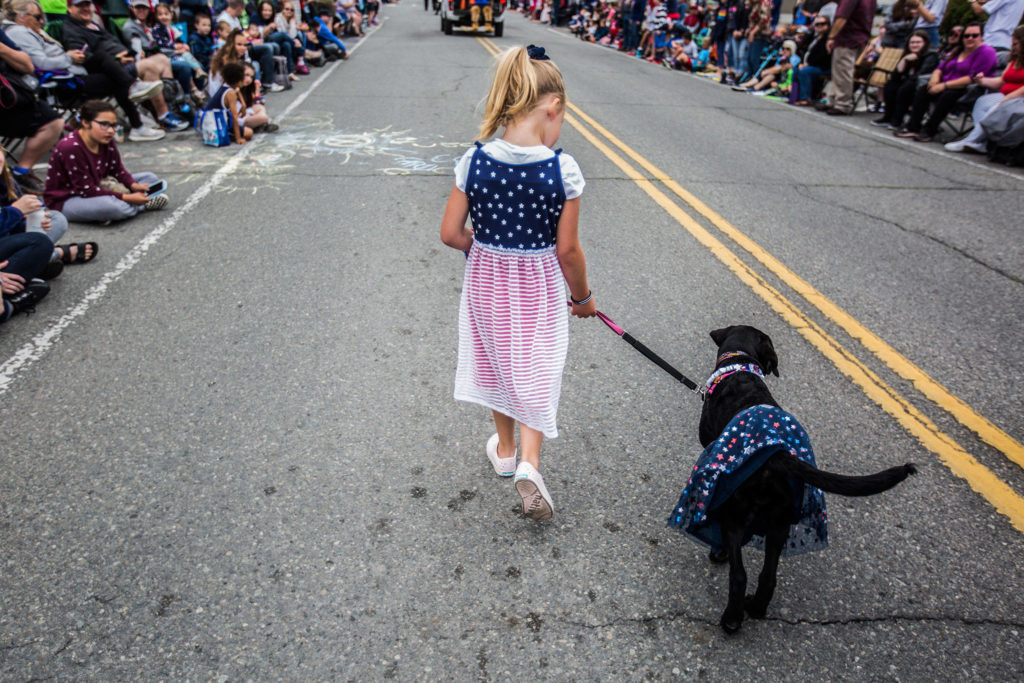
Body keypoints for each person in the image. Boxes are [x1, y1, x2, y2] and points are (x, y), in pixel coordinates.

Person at [440, 45, 595, 521]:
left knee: (499, 364)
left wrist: (481, 251)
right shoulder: (561, 169)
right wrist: (583, 299)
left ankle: (504, 450)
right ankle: (529, 463)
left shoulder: (475, 160)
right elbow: (567, 250)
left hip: (487, 282)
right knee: (536, 368)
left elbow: (449, 233)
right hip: (540, 285)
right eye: (561, 119)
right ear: (552, 108)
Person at [61, 0, 189, 132]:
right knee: (149, 66)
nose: (85, 8)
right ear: (70, 8)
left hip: (123, 62)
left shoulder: (93, 25)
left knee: (162, 60)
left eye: (87, 5)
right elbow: (85, 58)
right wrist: (117, 59)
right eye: (80, 5)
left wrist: (128, 55)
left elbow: (114, 43)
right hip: (108, 71)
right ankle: (162, 116)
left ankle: (173, 109)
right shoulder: (72, 29)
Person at [43, 100, 169, 224]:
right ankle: (141, 205)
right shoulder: (71, 147)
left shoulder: (105, 139)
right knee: (115, 208)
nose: (110, 130)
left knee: (149, 178)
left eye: (114, 125)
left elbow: (118, 170)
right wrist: (127, 197)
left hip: (99, 185)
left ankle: (119, 208)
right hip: (69, 198)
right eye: (104, 124)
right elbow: (86, 190)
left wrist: (133, 185)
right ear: (86, 123)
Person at [896, 21, 999, 141]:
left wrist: (943, 85)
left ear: (982, 36)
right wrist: (933, 82)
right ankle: (913, 127)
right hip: (945, 85)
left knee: (948, 95)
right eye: (966, 35)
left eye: (975, 35)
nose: (970, 38)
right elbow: (939, 69)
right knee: (924, 89)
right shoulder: (958, 50)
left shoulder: (987, 52)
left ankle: (929, 130)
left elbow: (972, 78)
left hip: (967, 89)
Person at [0, 23, 63, 189]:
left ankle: (21, 172)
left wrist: (2, 49)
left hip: (7, 98)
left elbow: (27, 65)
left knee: (52, 122)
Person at [946, 25, 1024, 152]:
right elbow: (1001, 81)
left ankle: (971, 140)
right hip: (1005, 95)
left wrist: (1003, 102)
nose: (1013, 47)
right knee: (982, 102)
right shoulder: (1014, 60)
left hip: (1019, 100)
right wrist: (982, 80)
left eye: (1016, 44)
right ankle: (981, 141)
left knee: (995, 108)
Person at [871, 29, 939, 127]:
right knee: (890, 85)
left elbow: (921, 75)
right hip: (908, 82)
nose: (914, 45)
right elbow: (895, 76)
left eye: (918, 42)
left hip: (922, 86)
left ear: (925, 43)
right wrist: (904, 59)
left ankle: (897, 120)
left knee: (906, 87)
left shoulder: (931, 55)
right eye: (912, 42)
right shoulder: (908, 54)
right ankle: (888, 117)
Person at [821, 0, 876, 115]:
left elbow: (842, 17)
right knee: (839, 71)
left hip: (847, 38)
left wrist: (831, 36)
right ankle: (833, 100)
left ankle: (842, 104)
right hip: (860, 37)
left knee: (843, 71)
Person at [216, 0, 282, 90]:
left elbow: (241, 34)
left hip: (244, 44)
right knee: (267, 48)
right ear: (239, 8)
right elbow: (232, 40)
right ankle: (268, 82)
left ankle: (267, 78)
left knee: (273, 46)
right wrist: (250, 43)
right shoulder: (224, 19)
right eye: (243, 9)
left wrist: (252, 38)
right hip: (236, 48)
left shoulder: (234, 18)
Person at [250, 0, 298, 78]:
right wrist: (269, 27)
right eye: (265, 10)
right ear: (260, 10)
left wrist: (292, 23)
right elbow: (256, 35)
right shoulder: (255, 17)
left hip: (272, 41)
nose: (267, 13)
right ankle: (296, 46)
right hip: (260, 40)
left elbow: (277, 33)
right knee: (283, 35)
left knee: (286, 44)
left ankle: (289, 72)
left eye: (269, 11)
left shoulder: (273, 18)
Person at [792, 14, 831, 104]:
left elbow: (823, 57)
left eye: (822, 24)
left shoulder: (827, 39)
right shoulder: (815, 37)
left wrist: (808, 64)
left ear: (828, 25)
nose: (819, 26)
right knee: (796, 69)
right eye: (817, 24)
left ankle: (805, 98)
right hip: (811, 64)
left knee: (804, 71)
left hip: (823, 67)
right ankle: (795, 95)